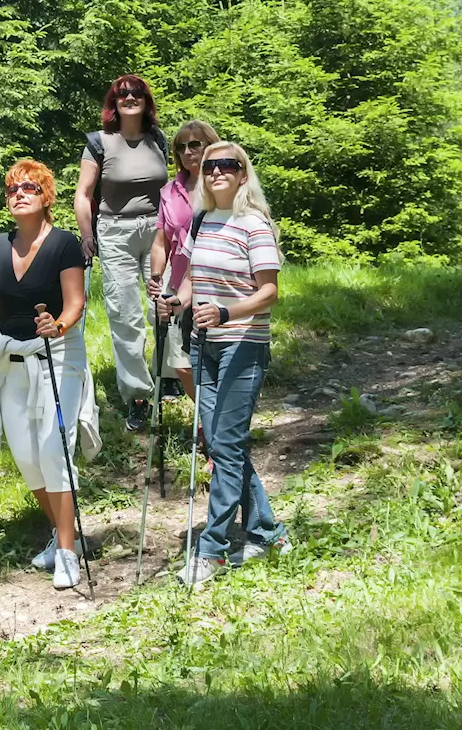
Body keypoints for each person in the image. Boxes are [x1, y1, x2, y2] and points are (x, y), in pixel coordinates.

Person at [0, 160, 100, 590]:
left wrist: (57, 325)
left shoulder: (63, 244)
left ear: (46, 197)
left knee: (54, 452)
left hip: (58, 355)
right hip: (13, 361)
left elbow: (75, 303)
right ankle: (66, 535)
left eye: (29, 187)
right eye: (11, 189)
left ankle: (66, 553)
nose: (18, 194)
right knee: (28, 460)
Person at [159, 141, 292, 587]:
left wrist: (226, 312)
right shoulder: (202, 220)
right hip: (205, 345)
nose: (217, 172)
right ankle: (268, 533)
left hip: (242, 345)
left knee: (226, 447)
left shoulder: (254, 225)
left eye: (227, 165)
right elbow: (195, 279)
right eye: (211, 165)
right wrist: (175, 302)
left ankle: (212, 550)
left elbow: (269, 292)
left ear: (242, 174)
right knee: (221, 445)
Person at [74, 74, 169, 431]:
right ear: (114, 102)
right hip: (115, 232)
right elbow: (83, 194)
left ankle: (168, 373)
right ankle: (138, 395)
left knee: (164, 305)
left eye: (136, 93)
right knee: (125, 315)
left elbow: (173, 188)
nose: (130, 98)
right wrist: (87, 235)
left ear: (146, 100)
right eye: (122, 94)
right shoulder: (99, 143)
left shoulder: (157, 139)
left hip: (159, 230)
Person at [148, 119, 221, 403]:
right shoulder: (168, 191)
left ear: (209, 146)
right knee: (181, 362)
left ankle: (222, 422)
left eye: (195, 144)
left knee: (214, 356)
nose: (188, 151)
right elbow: (160, 241)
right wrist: (156, 278)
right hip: (179, 283)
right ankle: (206, 419)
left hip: (218, 281)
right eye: (181, 147)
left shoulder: (221, 183)